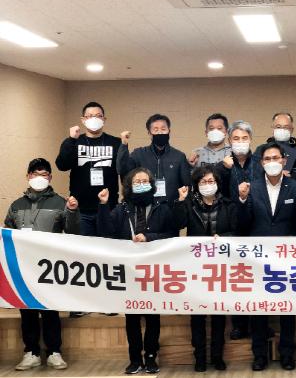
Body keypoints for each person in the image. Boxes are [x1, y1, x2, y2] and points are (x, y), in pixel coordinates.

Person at [96, 167, 178, 375]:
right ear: (129, 186)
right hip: (129, 272)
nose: (141, 184)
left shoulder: (162, 208)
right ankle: (134, 359)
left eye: (144, 181)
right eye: (137, 182)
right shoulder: (122, 209)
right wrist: (104, 205)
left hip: (153, 271)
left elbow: (172, 235)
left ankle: (150, 357)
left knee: (152, 317)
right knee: (131, 318)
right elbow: (106, 232)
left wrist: (149, 238)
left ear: (151, 185)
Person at [5, 158, 79, 372]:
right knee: (27, 310)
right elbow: (8, 233)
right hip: (22, 266)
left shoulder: (61, 202)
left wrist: (72, 212)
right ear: (28, 176)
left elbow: (73, 232)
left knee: (49, 309)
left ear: (50, 177)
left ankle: (54, 352)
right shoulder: (16, 205)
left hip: (49, 267)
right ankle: (31, 352)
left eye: (44, 174)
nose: (40, 178)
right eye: (35, 174)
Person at [237, 142, 296, 371]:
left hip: (287, 257)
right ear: (261, 163)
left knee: (287, 308)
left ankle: (287, 354)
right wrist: (242, 200)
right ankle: (259, 355)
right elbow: (243, 224)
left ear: (284, 161)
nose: (272, 162)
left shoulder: (295, 187)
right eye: (267, 159)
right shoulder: (252, 187)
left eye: (276, 158)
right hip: (258, 258)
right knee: (259, 308)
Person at [173, 165, 238, 372]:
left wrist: (223, 238)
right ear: (196, 185)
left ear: (217, 183)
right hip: (196, 265)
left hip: (221, 265)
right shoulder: (189, 203)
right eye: (203, 182)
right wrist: (181, 201)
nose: (207, 185)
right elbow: (178, 223)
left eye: (211, 181)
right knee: (197, 314)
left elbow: (237, 231)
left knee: (218, 313)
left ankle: (217, 356)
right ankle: (199, 357)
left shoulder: (228, 204)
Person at [215, 120, 261, 340]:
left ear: (250, 140)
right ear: (229, 141)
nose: (240, 142)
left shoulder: (260, 163)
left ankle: (259, 324)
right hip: (232, 224)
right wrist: (223, 170)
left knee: (258, 275)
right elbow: (216, 191)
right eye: (236, 138)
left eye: (244, 138)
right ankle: (238, 324)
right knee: (236, 276)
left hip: (257, 222)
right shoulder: (223, 165)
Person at [55, 101, 120, 236]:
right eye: (90, 116)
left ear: (104, 119)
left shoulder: (115, 143)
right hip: (81, 209)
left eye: (98, 116)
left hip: (108, 208)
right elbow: (62, 165)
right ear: (83, 120)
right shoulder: (74, 142)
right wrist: (71, 139)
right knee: (82, 247)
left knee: (107, 246)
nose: (94, 119)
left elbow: (124, 171)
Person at [117, 114, 191, 205]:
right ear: (149, 133)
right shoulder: (138, 154)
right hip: (146, 207)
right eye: (156, 130)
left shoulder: (179, 156)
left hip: (172, 208)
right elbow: (122, 171)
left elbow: (186, 185)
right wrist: (124, 145)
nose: (160, 133)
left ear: (169, 131)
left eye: (163, 129)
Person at [254, 112, 296, 181]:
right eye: (278, 127)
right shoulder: (261, 149)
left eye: (286, 127)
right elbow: (254, 171)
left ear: (292, 129)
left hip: (292, 186)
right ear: (273, 129)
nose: (282, 129)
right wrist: (275, 174)